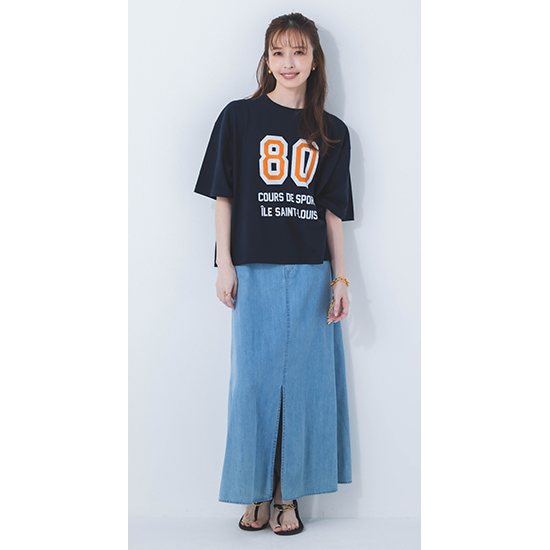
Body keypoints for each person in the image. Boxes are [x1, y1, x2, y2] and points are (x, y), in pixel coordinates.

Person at [194, 12, 354, 536]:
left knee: (305, 387)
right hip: (255, 271)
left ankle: (289, 496)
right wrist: (224, 261)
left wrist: (341, 278)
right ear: (266, 60)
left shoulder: (332, 131)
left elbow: (332, 212)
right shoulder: (238, 117)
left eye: (299, 52)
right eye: (279, 53)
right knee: (253, 384)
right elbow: (224, 194)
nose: (289, 63)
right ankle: (255, 491)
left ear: (314, 61)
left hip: (310, 273)